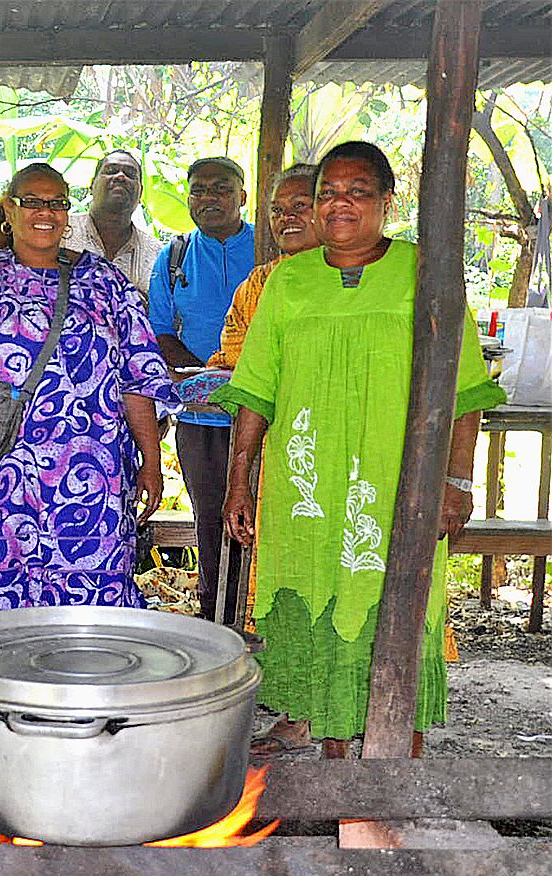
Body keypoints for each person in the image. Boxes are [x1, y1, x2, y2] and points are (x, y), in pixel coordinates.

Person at [214, 141, 506, 758]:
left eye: (357, 191)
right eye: (328, 193)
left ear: (386, 202)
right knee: (318, 608)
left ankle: (401, 770)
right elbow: (256, 389)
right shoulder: (288, 281)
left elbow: (466, 391)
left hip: (399, 481)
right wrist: (240, 477)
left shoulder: (425, 273)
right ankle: (338, 772)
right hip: (307, 492)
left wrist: (456, 484)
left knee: (397, 608)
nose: (339, 203)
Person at [0, 163, 174, 611]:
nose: (46, 212)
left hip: (95, 481)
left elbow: (136, 379)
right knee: (4, 599)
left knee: (95, 597)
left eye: (57, 203)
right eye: (32, 201)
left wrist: (150, 461)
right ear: (9, 211)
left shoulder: (105, 282)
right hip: (1, 478)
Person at [148, 156, 256, 620]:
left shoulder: (269, 248)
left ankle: (262, 613)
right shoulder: (173, 256)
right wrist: (207, 377)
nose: (208, 198)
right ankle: (219, 618)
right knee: (212, 519)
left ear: (243, 197)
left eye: (221, 189)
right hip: (201, 418)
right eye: (199, 190)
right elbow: (159, 332)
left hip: (267, 411)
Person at [207, 163, 320, 370]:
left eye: (300, 205)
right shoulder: (257, 284)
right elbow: (234, 358)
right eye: (277, 209)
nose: (285, 217)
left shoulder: (351, 274)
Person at [62, 149, 164, 299]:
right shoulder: (61, 233)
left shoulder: (157, 254)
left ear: (140, 192)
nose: (121, 176)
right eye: (111, 170)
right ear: (92, 185)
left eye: (130, 174)